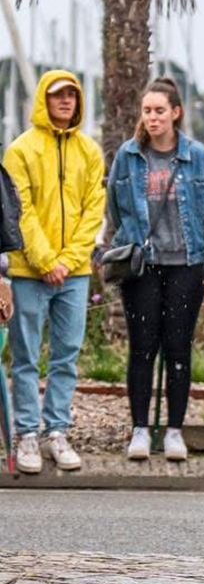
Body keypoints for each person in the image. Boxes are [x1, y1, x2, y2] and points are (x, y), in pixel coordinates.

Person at [107, 77, 204, 463]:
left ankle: (174, 431)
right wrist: (134, 240)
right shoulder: (128, 155)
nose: (152, 118)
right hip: (143, 266)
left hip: (185, 265)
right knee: (142, 348)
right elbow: (115, 206)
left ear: (175, 113)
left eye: (159, 111)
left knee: (178, 349)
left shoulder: (196, 156)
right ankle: (140, 428)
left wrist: (189, 240)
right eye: (147, 111)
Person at [3, 70, 105, 474]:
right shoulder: (20, 150)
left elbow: (93, 210)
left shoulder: (89, 151)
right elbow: (19, 210)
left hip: (74, 273)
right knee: (25, 356)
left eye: (71, 95)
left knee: (66, 355)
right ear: (43, 99)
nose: (65, 101)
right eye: (57, 95)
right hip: (29, 272)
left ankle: (57, 431)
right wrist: (46, 261)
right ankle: (28, 432)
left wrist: (68, 260)